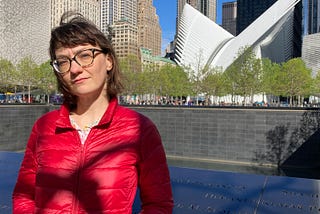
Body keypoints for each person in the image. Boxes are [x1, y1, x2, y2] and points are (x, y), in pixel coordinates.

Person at [12, 12, 173, 213]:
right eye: (63, 61)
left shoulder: (139, 129)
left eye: (85, 55)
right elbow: (24, 195)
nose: (75, 69)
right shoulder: (44, 126)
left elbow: (158, 204)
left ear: (109, 61)